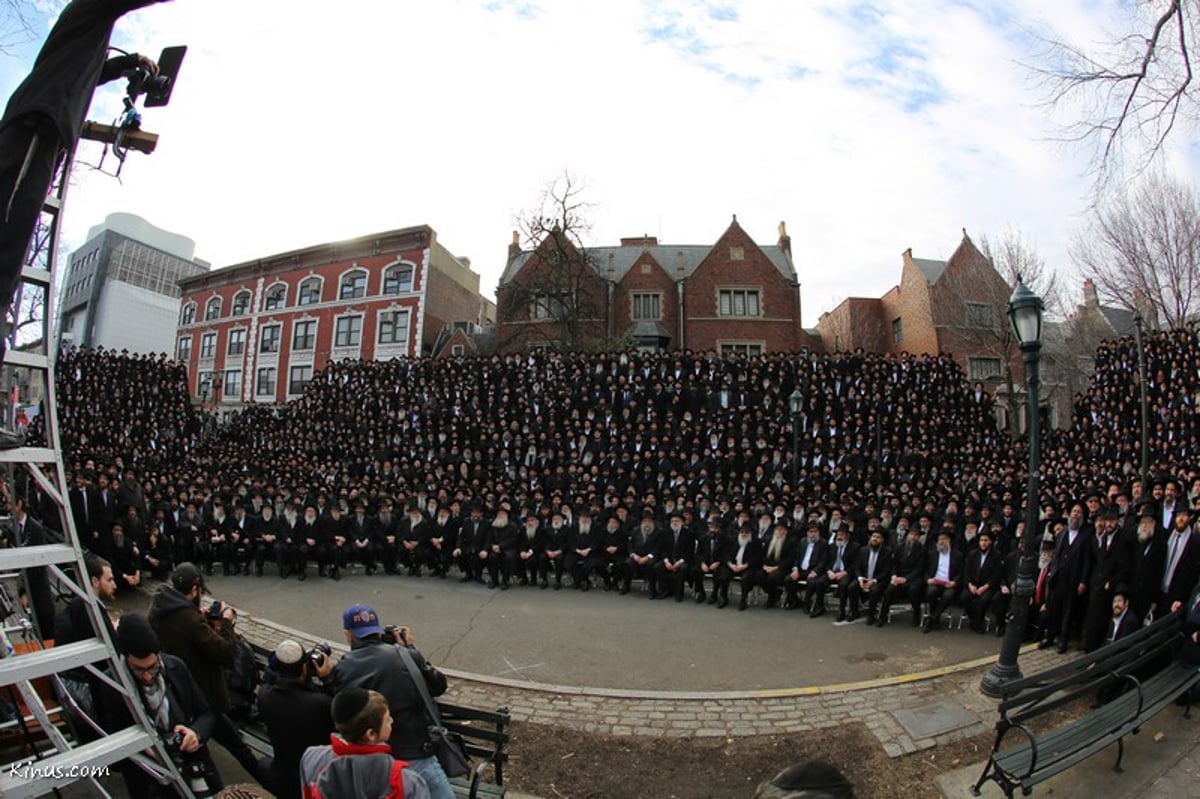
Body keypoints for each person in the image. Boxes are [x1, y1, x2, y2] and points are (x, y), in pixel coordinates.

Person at [0, 1, 171, 450]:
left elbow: (93, 74)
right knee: (3, 260)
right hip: (38, 121)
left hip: (45, 129)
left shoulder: (81, 46)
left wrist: (130, 64)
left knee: (10, 265)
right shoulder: (88, 11)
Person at [147, 562, 262, 780]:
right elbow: (226, 654)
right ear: (193, 590)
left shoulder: (158, 609)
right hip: (204, 697)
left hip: (179, 695)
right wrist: (227, 623)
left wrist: (203, 620)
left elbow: (188, 641)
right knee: (236, 747)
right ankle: (268, 783)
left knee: (204, 748)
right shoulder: (190, 620)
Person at [331, 604, 453, 799]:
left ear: (349, 635)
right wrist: (410, 648)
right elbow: (439, 686)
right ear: (379, 632)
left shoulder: (343, 668)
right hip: (416, 753)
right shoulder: (405, 655)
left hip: (373, 760)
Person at [104, 612, 221, 798]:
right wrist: (141, 746)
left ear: (158, 656)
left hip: (195, 767)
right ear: (125, 660)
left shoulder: (176, 667)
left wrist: (195, 734)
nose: (148, 676)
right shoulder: (112, 684)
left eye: (152, 667)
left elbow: (207, 714)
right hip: (150, 780)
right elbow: (112, 738)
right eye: (138, 670)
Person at [300, 687, 430, 799]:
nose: (391, 721)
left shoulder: (311, 758)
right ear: (370, 734)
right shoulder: (409, 782)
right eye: (387, 719)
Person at [257, 639, 335, 799]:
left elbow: (270, 680)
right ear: (304, 668)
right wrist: (327, 679)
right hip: (315, 772)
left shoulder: (264, 695)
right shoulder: (321, 703)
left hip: (283, 772)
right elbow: (339, 712)